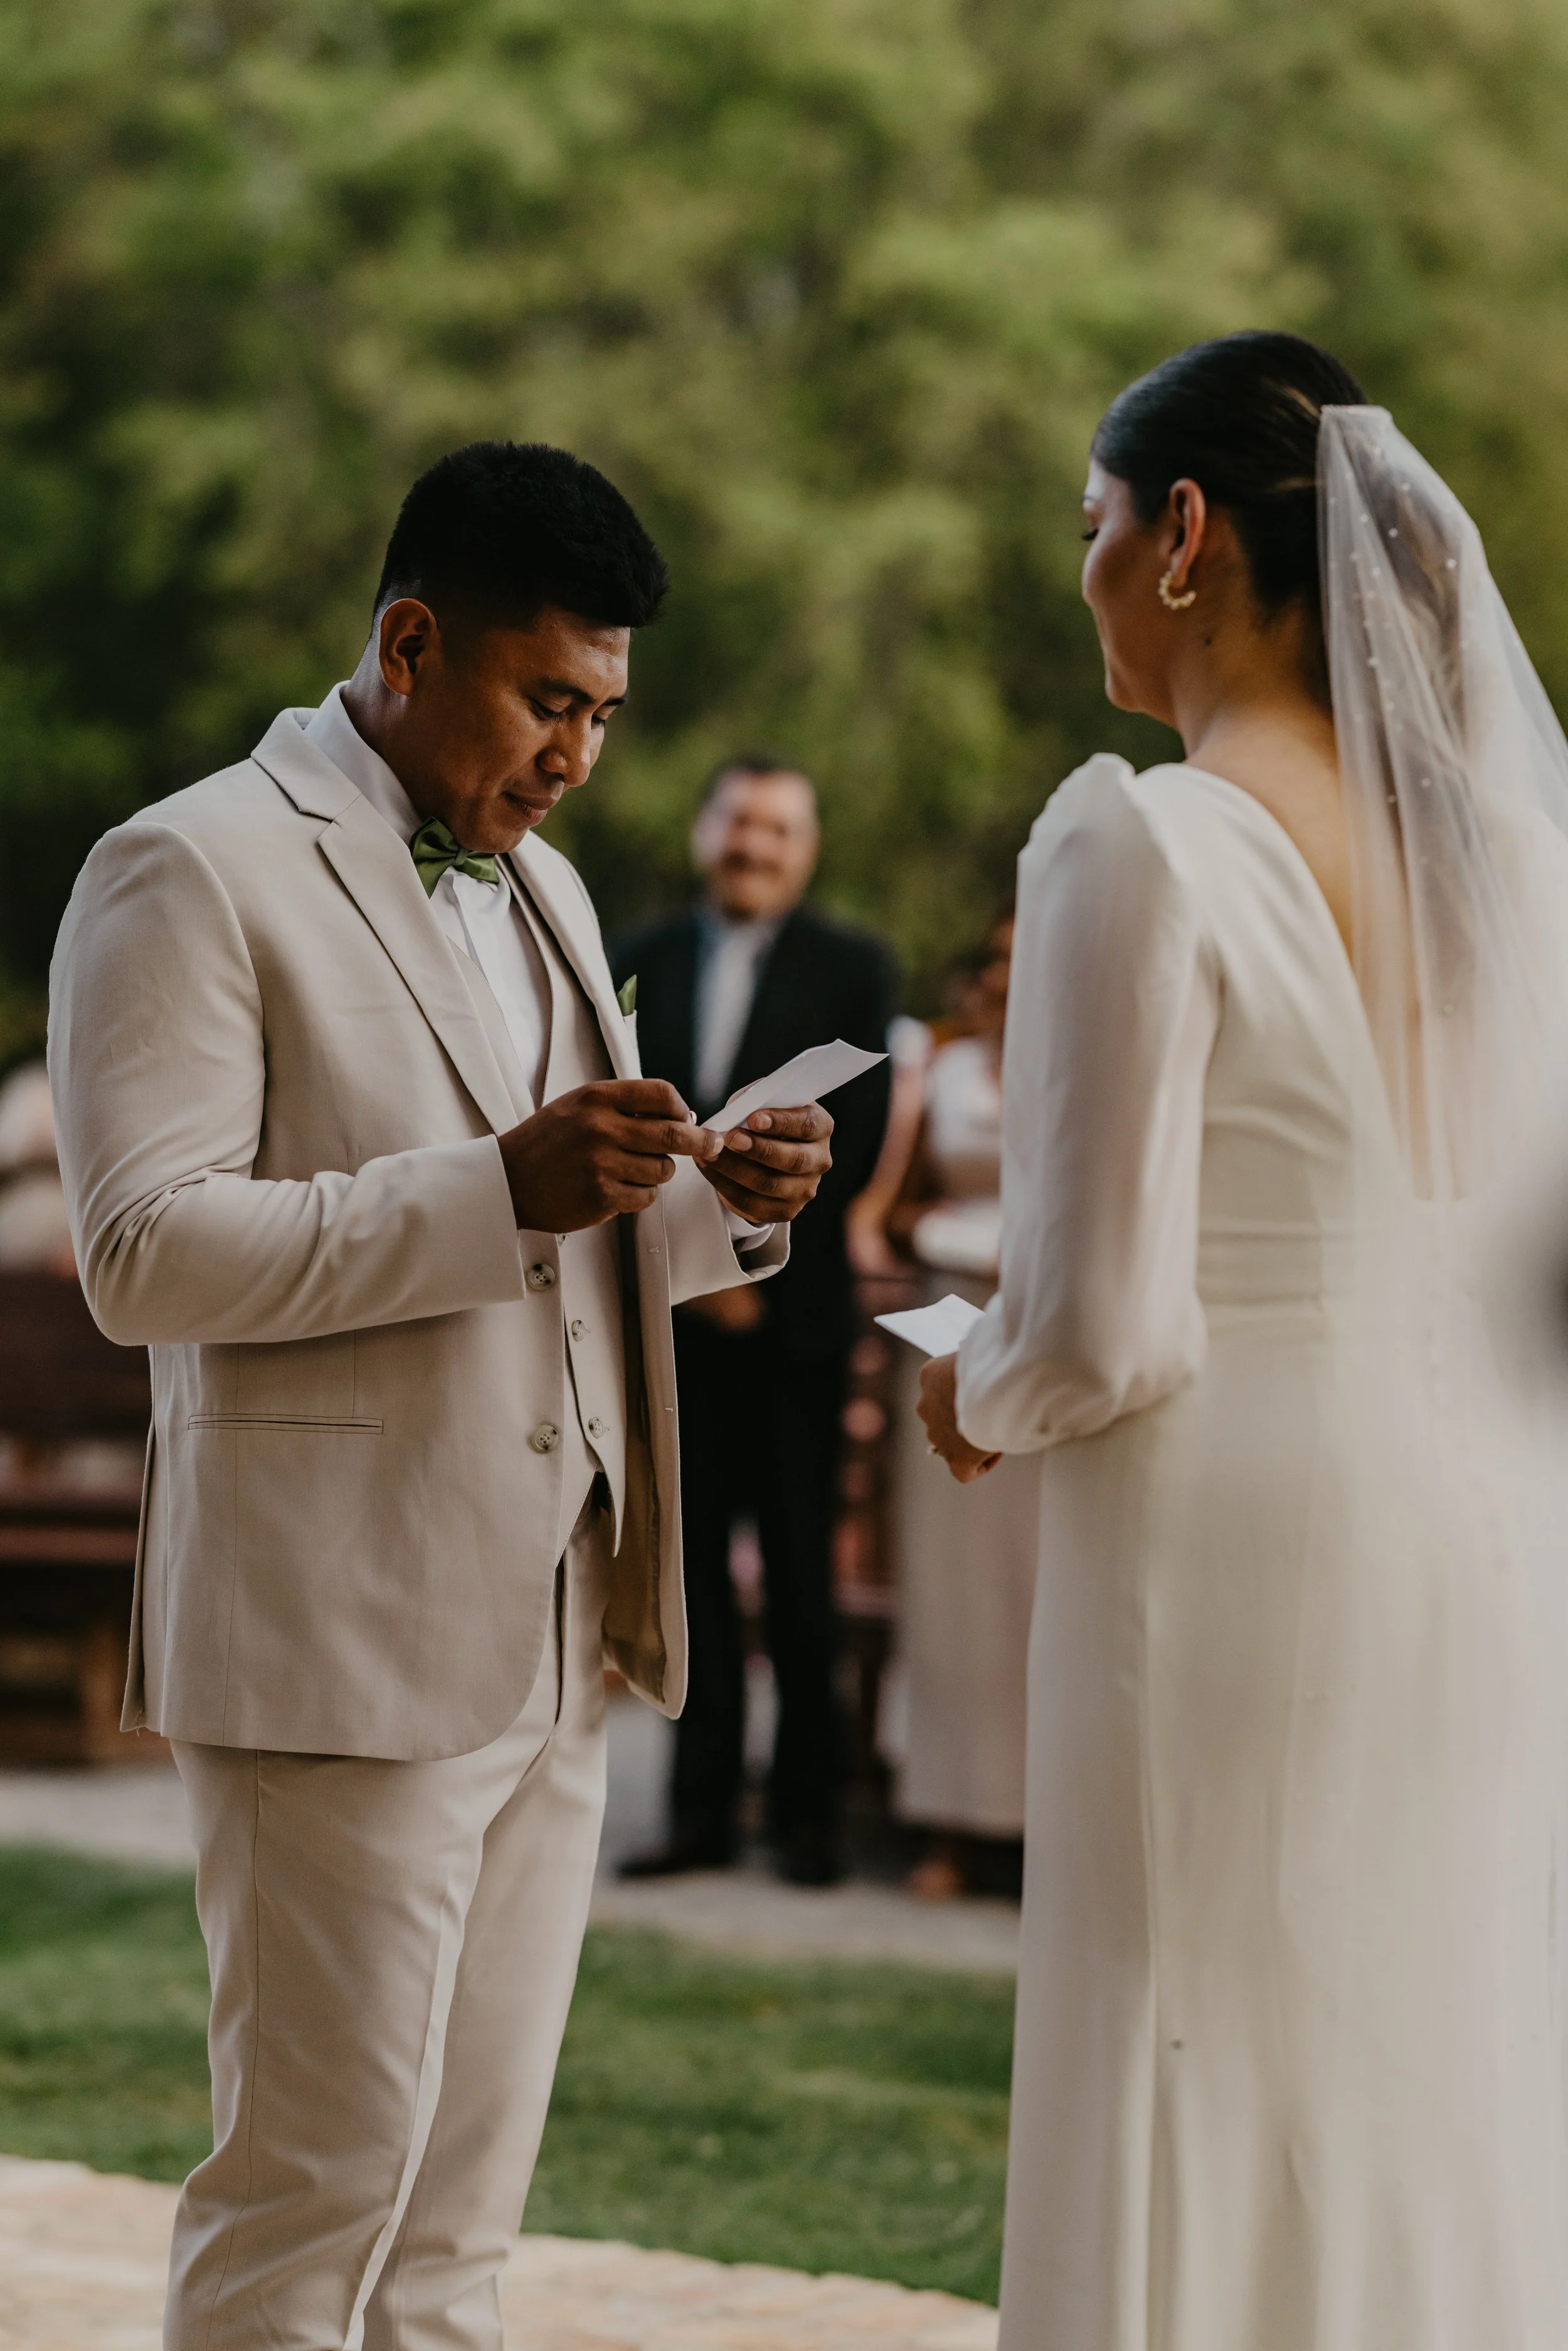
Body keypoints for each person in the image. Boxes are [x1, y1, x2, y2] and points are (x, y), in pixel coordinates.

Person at [48, 441, 835, 2351]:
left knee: (461, 2229)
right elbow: (142, 1252)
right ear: (409, 642)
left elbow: (562, 1239)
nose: (577, 753)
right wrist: (501, 1186)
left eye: (604, 713)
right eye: (547, 697)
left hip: (554, 1627)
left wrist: (713, 1209)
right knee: (313, 2194)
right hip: (340, 1628)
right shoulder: (186, 863)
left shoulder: (551, 888)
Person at [919, 334, 1568, 2347]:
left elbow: (1102, 1321)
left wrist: (967, 1381)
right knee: (1405, 2035)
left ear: (1182, 534)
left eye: (1093, 526)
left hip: (1220, 1534)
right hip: (1459, 1506)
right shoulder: (1485, 857)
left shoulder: (1142, 837)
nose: (1087, 568)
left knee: (1187, 2020)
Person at [613, 758, 896, 1884]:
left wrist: (751, 1272)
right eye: (740, 823)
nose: (756, 847)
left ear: (807, 848)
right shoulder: (636, 957)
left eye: (779, 830)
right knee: (687, 1578)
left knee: (797, 1573)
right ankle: (697, 1813)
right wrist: (692, 1270)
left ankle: (809, 1816)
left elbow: (860, 1135)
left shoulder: (854, 966)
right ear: (706, 830)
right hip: (667, 1319)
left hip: (797, 1328)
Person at [879, 915, 1038, 1900]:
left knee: (1036, 1583)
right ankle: (945, 1817)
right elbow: (887, 1204)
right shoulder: (934, 1070)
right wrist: (918, 1227)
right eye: (999, 962)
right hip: (943, 1313)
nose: (1010, 978)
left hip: (1037, 1321)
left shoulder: (1089, 1060)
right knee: (950, 1590)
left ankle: (1034, 1819)